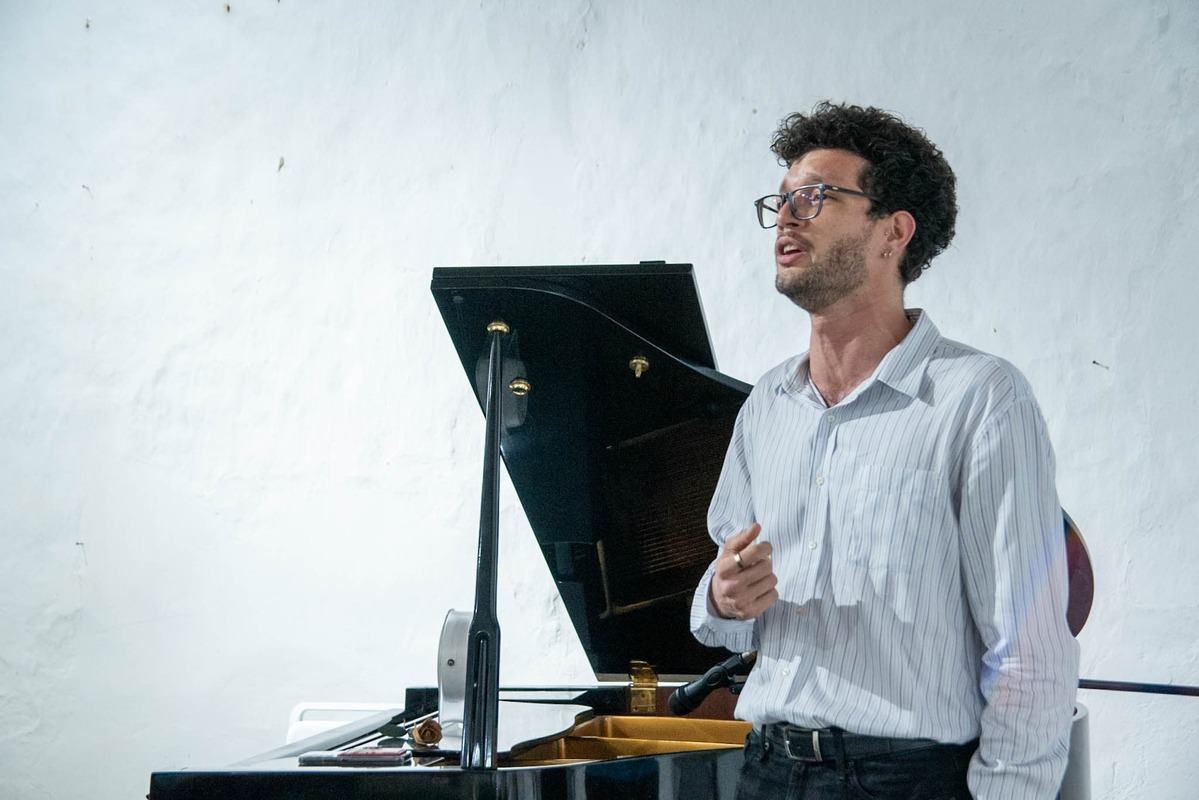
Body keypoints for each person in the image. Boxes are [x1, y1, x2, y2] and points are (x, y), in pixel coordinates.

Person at [690, 102, 1079, 799]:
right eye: (779, 201)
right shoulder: (766, 407)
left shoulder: (981, 398)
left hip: (908, 780)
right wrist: (722, 597)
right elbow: (719, 611)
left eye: (816, 197)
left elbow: (1029, 650)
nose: (786, 216)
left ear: (893, 232)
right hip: (766, 772)